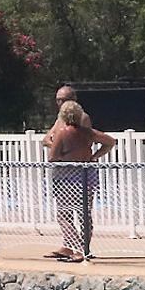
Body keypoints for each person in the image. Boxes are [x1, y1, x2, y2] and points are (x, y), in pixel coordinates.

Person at [47, 100, 116, 262]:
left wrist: (64, 157)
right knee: (85, 214)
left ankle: (77, 250)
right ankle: (84, 248)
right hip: (86, 176)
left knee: (64, 214)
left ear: (63, 115)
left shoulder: (63, 132)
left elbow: (52, 157)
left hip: (66, 178)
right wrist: (94, 156)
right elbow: (110, 142)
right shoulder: (88, 132)